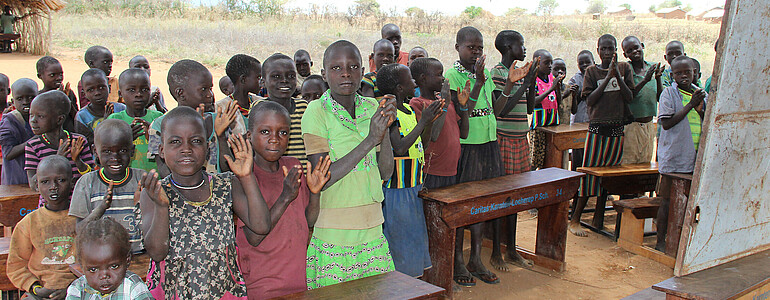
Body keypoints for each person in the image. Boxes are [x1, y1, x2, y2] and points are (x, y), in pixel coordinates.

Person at [140, 107, 271, 299]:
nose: (186, 149)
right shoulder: (155, 192)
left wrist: (246, 176)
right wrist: (161, 207)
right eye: (175, 142)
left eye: (196, 141)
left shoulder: (225, 184)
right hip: (174, 292)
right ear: (161, 150)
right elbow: (157, 252)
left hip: (221, 290)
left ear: (208, 148)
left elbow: (261, 226)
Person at [301, 40, 396, 289]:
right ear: (324, 75)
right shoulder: (316, 111)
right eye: (336, 68)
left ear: (363, 72)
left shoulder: (372, 106)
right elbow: (324, 178)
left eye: (353, 66)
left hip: (373, 227)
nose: (346, 73)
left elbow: (386, 172)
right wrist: (370, 139)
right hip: (334, 231)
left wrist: (384, 132)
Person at [237, 101, 331, 299]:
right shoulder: (243, 177)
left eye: (283, 133)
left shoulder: (293, 166)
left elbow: (308, 221)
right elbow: (254, 237)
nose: (274, 139)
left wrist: (314, 193)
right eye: (265, 132)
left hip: (297, 278)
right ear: (249, 136)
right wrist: (285, 197)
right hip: (263, 283)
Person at [446, 26, 504, 286]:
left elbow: (494, 106)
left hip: (489, 142)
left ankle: (476, 258)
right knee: (464, 204)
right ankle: (458, 259)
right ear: (457, 47)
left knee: (482, 202)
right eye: (471, 47)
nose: (476, 52)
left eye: (480, 47)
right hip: (468, 144)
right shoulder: (452, 76)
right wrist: (478, 81)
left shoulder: (486, 73)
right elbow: (463, 112)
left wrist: (511, 83)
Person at [377, 63, 442, 277]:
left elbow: (421, 142)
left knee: (414, 237)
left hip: (413, 186)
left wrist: (428, 121)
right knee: (401, 242)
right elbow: (400, 148)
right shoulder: (390, 112)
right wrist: (423, 121)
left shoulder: (408, 111)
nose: (414, 82)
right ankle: (400, 286)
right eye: (410, 80)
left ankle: (412, 284)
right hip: (397, 189)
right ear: (399, 88)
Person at [569, 34, 634, 237]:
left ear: (616, 50)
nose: (607, 53)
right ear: (598, 51)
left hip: (617, 128)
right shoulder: (592, 71)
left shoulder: (624, 69)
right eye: (603, 49)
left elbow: (629, 96)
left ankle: (598, 218)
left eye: (611, 48)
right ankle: (575, 220)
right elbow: (590, 101)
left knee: (608, 177)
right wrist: (607, 78)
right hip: (597, 128)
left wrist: (616, 75)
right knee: (589, 175)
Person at [488, 30, 539, 273]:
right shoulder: (497, 74)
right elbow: (502, 110)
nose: (525, 48)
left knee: (516, 197)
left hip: (521, 139)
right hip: (504, 140)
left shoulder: (522, 73)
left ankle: (512, 249)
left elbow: (529, 107)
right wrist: (524, 83)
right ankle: (497, 251)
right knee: (502, 197)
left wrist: (531, 83)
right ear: (509, 47)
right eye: (521, 43)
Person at [147, 59, 239, 178]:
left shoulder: (219, 121)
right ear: (181, 93)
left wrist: (220, 136)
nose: (210, 95)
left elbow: (228, 168)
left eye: (210, 88)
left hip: (218, 192)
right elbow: (164, 171)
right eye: (203, 89)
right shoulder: (160, 125)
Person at [70, 119, 146, 253]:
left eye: (122, 150)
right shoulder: (86, 183)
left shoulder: (142, 180)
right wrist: (101, 208)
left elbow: (156, 225)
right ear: (95, 151)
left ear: (132, 151)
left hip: (139, 255)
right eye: (107, 152)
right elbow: (80, 231)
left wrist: (142, 203)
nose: (115, 157)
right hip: (101, 259)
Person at [7, 155, 77, 299]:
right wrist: (35, 288)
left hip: (78, 289)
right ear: (37, 185)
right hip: (40, 291)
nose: (53, 187)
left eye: (61, 180)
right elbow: (16, 266)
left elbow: (94, 264)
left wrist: (73, 289)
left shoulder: (82, 219)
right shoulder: (29, 223)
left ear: (72, 182)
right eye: (45, 182)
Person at [655, 56, 707, 251]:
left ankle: (684, 243)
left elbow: (707, 120)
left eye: (687, 72)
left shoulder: (701, 95)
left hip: (694, 157)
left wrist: (700, 108)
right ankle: (661, 241)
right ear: (672, 75)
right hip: (675, 156)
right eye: (678, 73)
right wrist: (691, 105)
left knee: (688, 202)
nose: (683, 76)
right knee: (667, 200)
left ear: (695, 73)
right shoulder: (669, 94)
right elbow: (667, 123)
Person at [409, 58, 468, 188]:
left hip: (451, 169)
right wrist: (445, 104)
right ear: (423, 78)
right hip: (432, 171)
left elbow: (464, 134)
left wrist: (464, 107)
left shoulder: (445, 101)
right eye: (438, 74)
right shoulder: (418, 104)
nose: (443, 78)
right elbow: (433, 136)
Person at [66, 218, 153, 299]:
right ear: (82, 266)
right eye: (93, 269)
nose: (104, 276)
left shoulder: (134, 287)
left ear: (127, 261)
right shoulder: (77, 289)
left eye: (114, 266)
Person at [26, 91, 94, 191]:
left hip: (78, 202)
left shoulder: (78, 142)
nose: (33, 120)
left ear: (59, 119)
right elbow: (34, 185)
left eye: (40, 116)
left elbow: (91, 178)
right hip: (50, 204)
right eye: (31, 115)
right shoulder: (33, 146)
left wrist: (78, 161)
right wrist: (57, 159)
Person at [255, 53, 310, 169]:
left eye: (291, 76)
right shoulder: (259, 109)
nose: (284, 81)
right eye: (276, 76)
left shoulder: (304, 107)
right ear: (263, 81)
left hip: (304, 179)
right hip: (272, 180)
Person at [105, 68, 163, 172]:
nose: (138, 94)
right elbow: (107, 151)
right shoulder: (115, 120)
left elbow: (167, 149)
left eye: (144, 90)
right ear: (120, 94)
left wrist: (153, 136)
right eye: (132, 90)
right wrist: (126, 138)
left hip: (155, 177)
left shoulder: (158, 118)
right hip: (125, 180)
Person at [621, 36, 663, 166]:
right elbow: (628, 96)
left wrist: (658, 78)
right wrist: (645, 79)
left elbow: (660, 97)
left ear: (642, 46)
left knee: (645, 163)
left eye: (636, 47)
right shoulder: (626, 69)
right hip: (631, 126)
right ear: (625, 54)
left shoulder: (653, 67)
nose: (634, 52)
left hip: (649, 124)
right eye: (629, 50)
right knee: (628, 163)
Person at [529, 49, 565, 171]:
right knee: (535, 160)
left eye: (551, 62)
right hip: (539, 126)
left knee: (552, 159)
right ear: (537, 63)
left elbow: (557, 102)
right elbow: (533, 102)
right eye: (546, 63)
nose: (550, 66)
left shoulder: (551, 78)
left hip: (553, 125)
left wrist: (557, 88)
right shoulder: (533, 80)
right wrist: (551, 89)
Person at [75, 69, 127, 150]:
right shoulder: (82, 116)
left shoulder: (121, 109)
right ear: (84, 93)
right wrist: (106, 122)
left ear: (109, 88)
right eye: (91, 90)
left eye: (101, 87)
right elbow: (87, 143)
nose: (97, 93)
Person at [216, 54, 261, 137]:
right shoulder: (221, 108)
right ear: (243, 79)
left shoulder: (261, 102)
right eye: (258, 78)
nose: (262, 81)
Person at [1, 78, 35, 185]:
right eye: (20, 99)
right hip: (16, 179)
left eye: (31, 97)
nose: (25, 102)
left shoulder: (44, 117)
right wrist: (34, 141)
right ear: (13, 101)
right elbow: (8, 153)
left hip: (39, 178)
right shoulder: (8, 122)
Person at [36, 56, 78, 132]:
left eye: (61, 74)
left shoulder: (68, 93)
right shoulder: (38, 98)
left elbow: (76, 117)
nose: (59, 78)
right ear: (40, 76)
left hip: (69, 134)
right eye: (52, 75)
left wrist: (66, 99)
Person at [569, 50, 595, 171]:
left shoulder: (597, 76)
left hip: (593, 123)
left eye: (587, 62)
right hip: (578, 123)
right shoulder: (575, 79)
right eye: (581, 63)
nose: (584, 65)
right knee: (578, 157)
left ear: (593, 62)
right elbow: (573, 102)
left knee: (592, 156)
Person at [552, 58, 574, 125]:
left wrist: (575, 96)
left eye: (563, 69)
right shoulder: (549, 89)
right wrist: (564, 94)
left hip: (565, 127)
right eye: (556, 69)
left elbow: (574, 111)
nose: (560, 72)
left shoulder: (569, 88)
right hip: (552, 128)